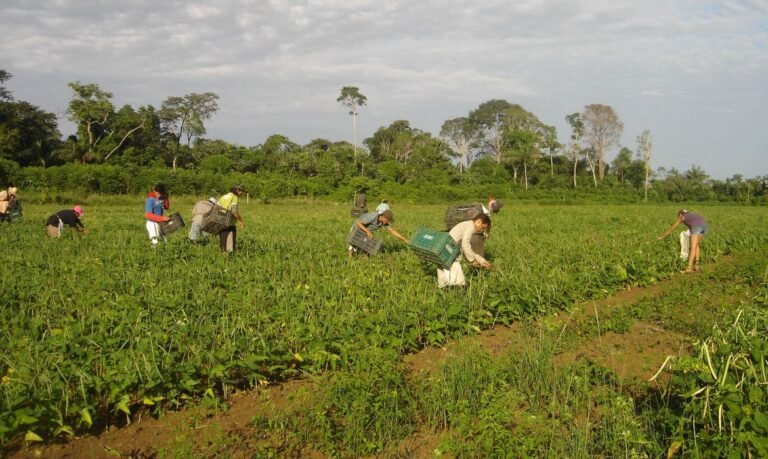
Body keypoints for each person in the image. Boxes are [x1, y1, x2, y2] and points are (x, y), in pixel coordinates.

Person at [438, 213, 492, 288]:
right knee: (459, 281)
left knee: (444, 278)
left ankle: (445, 290)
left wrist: (482, 261)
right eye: (483, 227)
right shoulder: (471, 227)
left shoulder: (467, 224)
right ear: (479, 222)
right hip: (449, 250)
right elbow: (465, 244)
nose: (481, 230)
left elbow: (466, 248)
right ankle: (459, 291)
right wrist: (472, 260)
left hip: (443, 248)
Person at [217, 185, 245, 253]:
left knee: (223, 243)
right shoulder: (234, 197)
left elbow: (216, 208)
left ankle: (223, 257)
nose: (241, 193)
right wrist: (240, 220)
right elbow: (234, 211)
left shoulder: (223, 197)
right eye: (240, 191)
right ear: (236, 190)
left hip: (221, 221)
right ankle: (230, 258)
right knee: (231, 244)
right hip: (230, 223)